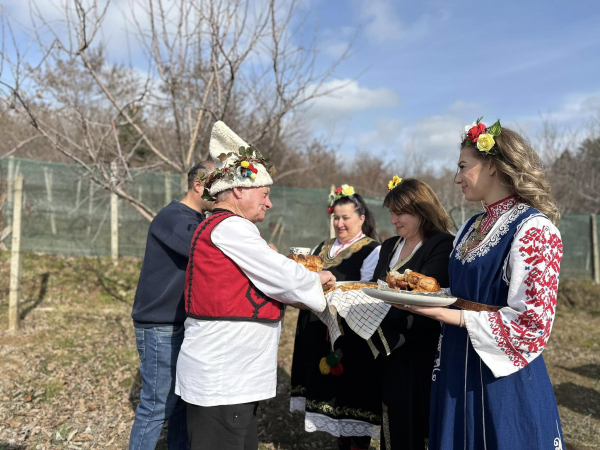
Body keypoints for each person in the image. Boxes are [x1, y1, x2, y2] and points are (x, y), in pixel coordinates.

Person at [394, 119, 565, 449]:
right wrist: (419, 297)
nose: (456, 178)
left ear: (491, 166)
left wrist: (450, 315)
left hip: (501, 376)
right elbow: (461, 292)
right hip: (455, 361)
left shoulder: (534, 230)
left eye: (463, 166)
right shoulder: (470, 226)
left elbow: (533, 325)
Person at [175, 121, 336, 450]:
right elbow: (281, 275)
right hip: (225, 377)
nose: (269, 203)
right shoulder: (232, 227)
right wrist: (316, 278)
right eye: (264, 194)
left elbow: (268, 277)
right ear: (239, 190)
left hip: (228, 377)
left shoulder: (221, 226)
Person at [129, 160, 214, 450]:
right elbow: (207, 252)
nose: (221, 194)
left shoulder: (197, 219)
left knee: (180, 403)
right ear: (198, 185)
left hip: (181, 323)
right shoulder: (175, 219)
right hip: (160, 327)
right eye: (216, 187)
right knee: (156, 407)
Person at [290, 186, 381, 450]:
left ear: (361, 218)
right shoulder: (322, 247)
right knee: (326, 390)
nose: (339, 223)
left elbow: (364, 291)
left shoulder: (371, 250)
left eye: (346, 218)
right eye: (336, 218)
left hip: (348, 333)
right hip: (315, 328)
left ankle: (356, 443)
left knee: (350, 393)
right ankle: (340, 439)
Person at [369, 177, 454, 450]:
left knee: (414, 421)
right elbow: (374, 287)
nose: (393, 220)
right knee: (391, 418)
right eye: (391, 213)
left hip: (418, 351)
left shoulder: (441, 244)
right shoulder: (389, 245)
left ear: (422, 211)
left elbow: (426, 297)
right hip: (385, 347)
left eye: (400, 213)